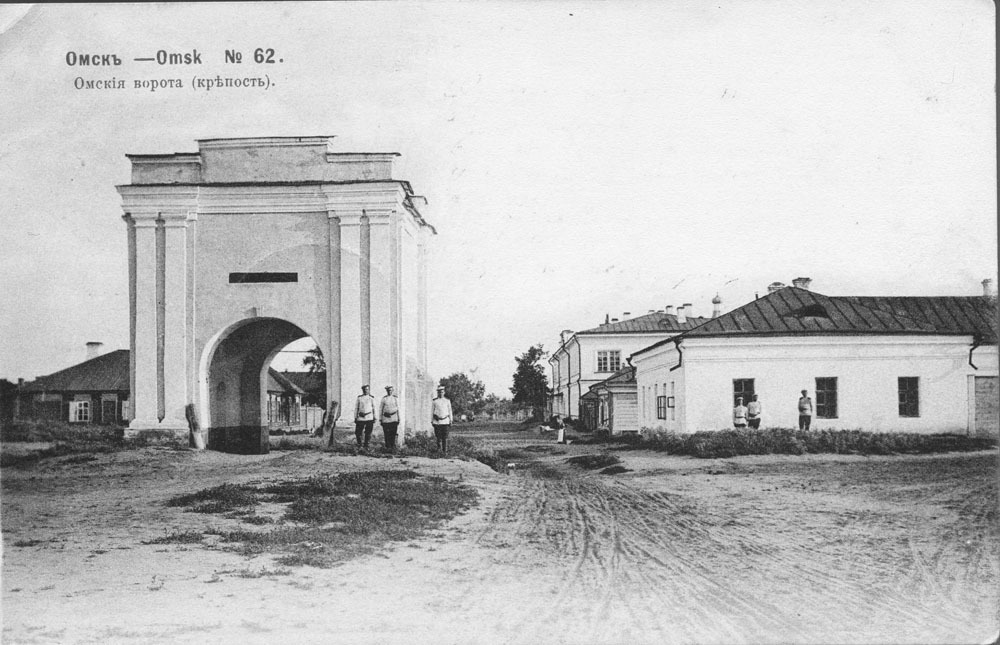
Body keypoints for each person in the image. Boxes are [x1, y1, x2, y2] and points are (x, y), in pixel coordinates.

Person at [431, 385, 453, 453]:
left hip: (445, 421)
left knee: (445, 437)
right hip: (437, 422)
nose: (441, 393)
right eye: (439, 392)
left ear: (444, 392)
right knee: (438, 437)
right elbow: (432, 411)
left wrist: (451, 420)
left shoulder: (447, 401)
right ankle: (438, 450)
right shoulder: (435, 401)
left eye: (442, 392)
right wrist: (431, 420)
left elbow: (450, 411)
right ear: (437, 393)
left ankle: (445, 451)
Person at [354, 385, 376, 450]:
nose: (366, 390)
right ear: (362, 390)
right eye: (364, 389)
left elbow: (374, 408)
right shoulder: (359, 398)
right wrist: (355, 417)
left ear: (369, 390)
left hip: (369, 417)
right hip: (361, 417)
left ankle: (366, 446)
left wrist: (375, 417)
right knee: (358, 432)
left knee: (368, 432)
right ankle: (359, 445)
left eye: (367, 389)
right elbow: (356, 408)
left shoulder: (371, 398)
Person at [380, 385, 400, 452]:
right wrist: (381, 419)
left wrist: (398, 418)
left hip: (394, 419)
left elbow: (398, 409)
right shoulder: (384, 399)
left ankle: (392, 447)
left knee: (393, 433)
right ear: (386, 391)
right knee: (386, 434)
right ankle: (387, 447)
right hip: (386, 419)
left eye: (391, 390)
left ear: (392, 391)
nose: (389, 391)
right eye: (388, 390)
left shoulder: (395, 398)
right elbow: (381, 409)